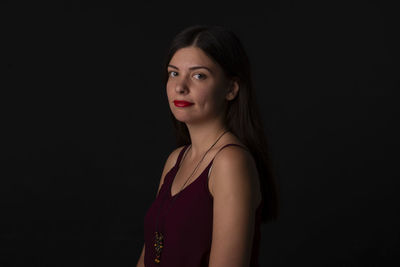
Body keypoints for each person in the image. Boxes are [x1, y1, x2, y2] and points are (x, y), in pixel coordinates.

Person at [136, 25, 278, 267]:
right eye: (173, 74)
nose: (180, 87)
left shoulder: (230, 162)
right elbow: (149, 255)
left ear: (231, 89)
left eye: (198, 75)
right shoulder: (176, 159)